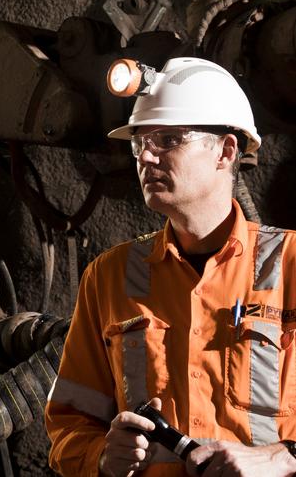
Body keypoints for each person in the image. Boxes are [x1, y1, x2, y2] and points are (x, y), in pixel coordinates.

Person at [45, 57, 296, 476]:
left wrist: (282, 457)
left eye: (168, 139)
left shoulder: (291, 264)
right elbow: (68, 425)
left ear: (225, 150)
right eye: (139, 141)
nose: (145, 155)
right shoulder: (108, 277)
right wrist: (101, 456)